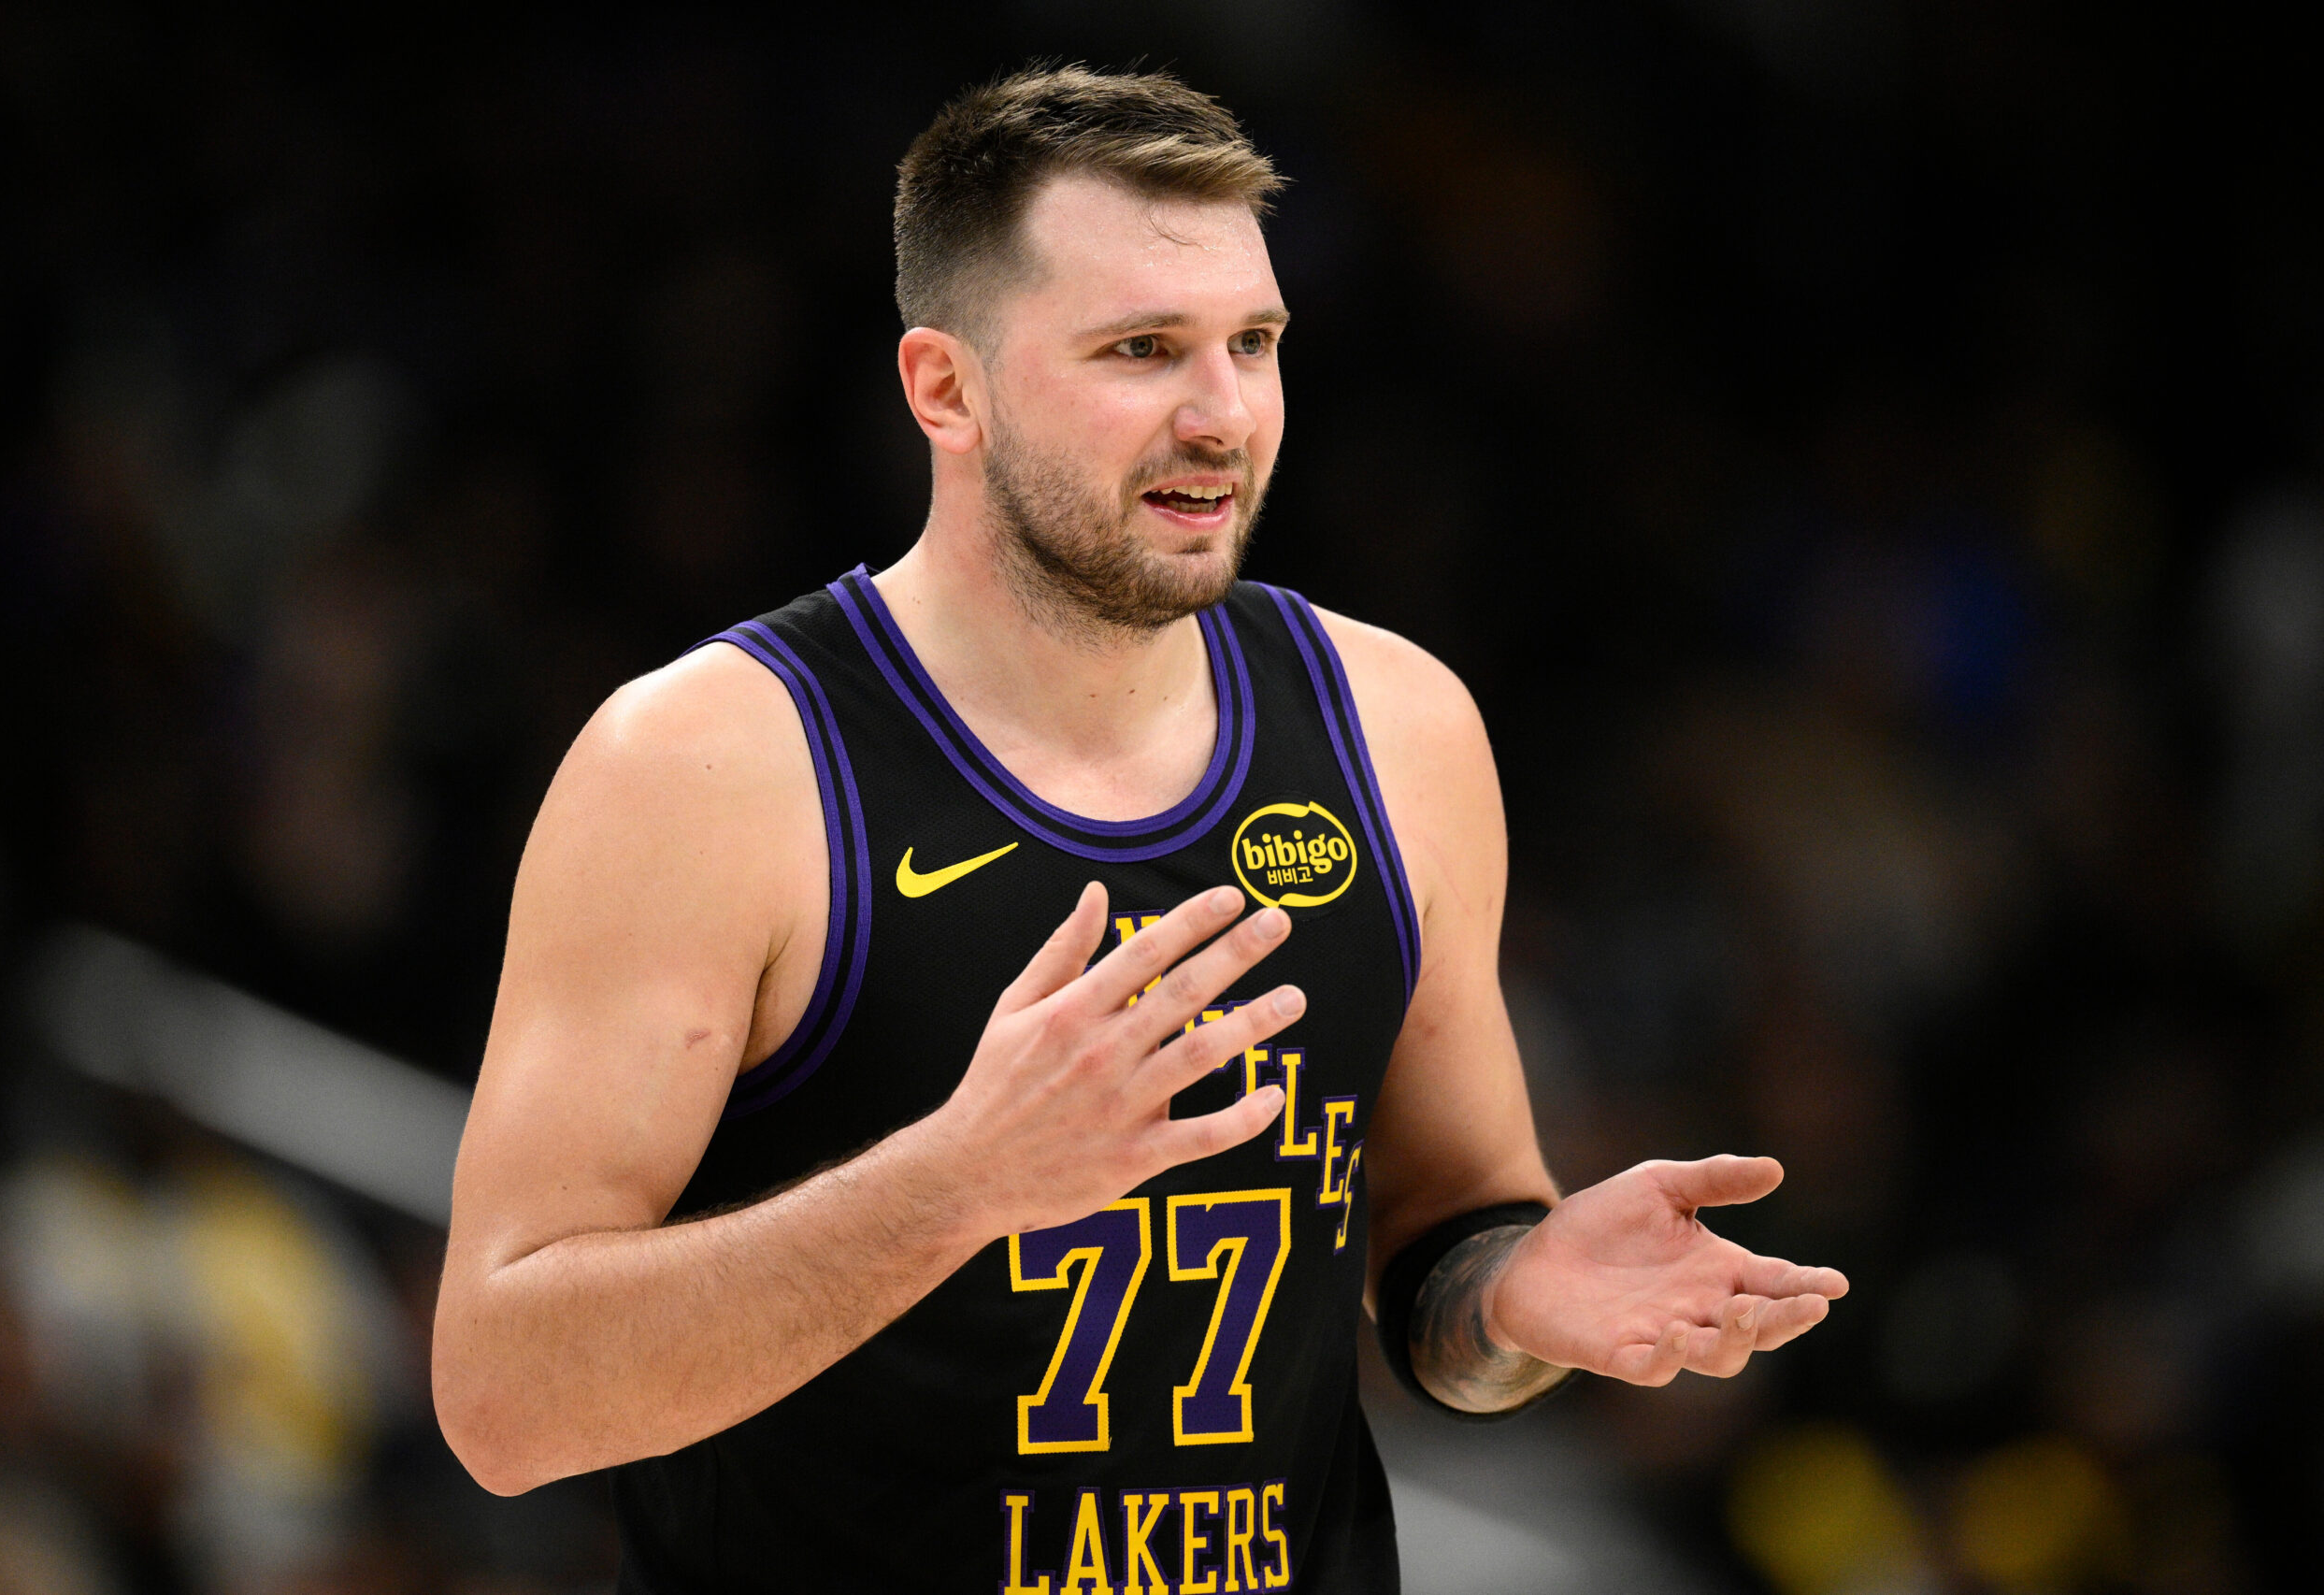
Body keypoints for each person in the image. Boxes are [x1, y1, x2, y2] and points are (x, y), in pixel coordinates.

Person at [431, 65, 1848, 1593]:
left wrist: (1513, 1295)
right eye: (1142, 351)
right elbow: (506, 1401)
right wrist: (957, 1183)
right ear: (944, 388)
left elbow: (1443, 1251)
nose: (1221, 413)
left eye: (1254, 343)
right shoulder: (709, 766)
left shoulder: (1398, 727)